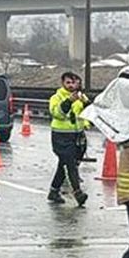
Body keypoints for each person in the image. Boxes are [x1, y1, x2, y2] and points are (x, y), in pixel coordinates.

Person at [47, 72, 90, 207]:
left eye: (74, 82)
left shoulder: (81, 97)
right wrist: (69, 101)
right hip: (61, 136)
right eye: (68, 83)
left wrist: (87, 104)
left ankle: (54, 191)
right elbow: (57, 114)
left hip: (77, 135)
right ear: (63, 83)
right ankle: (77, 193)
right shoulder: (56, 97)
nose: (71, 85)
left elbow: (88, 114)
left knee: (65, 164)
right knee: (69, 163)